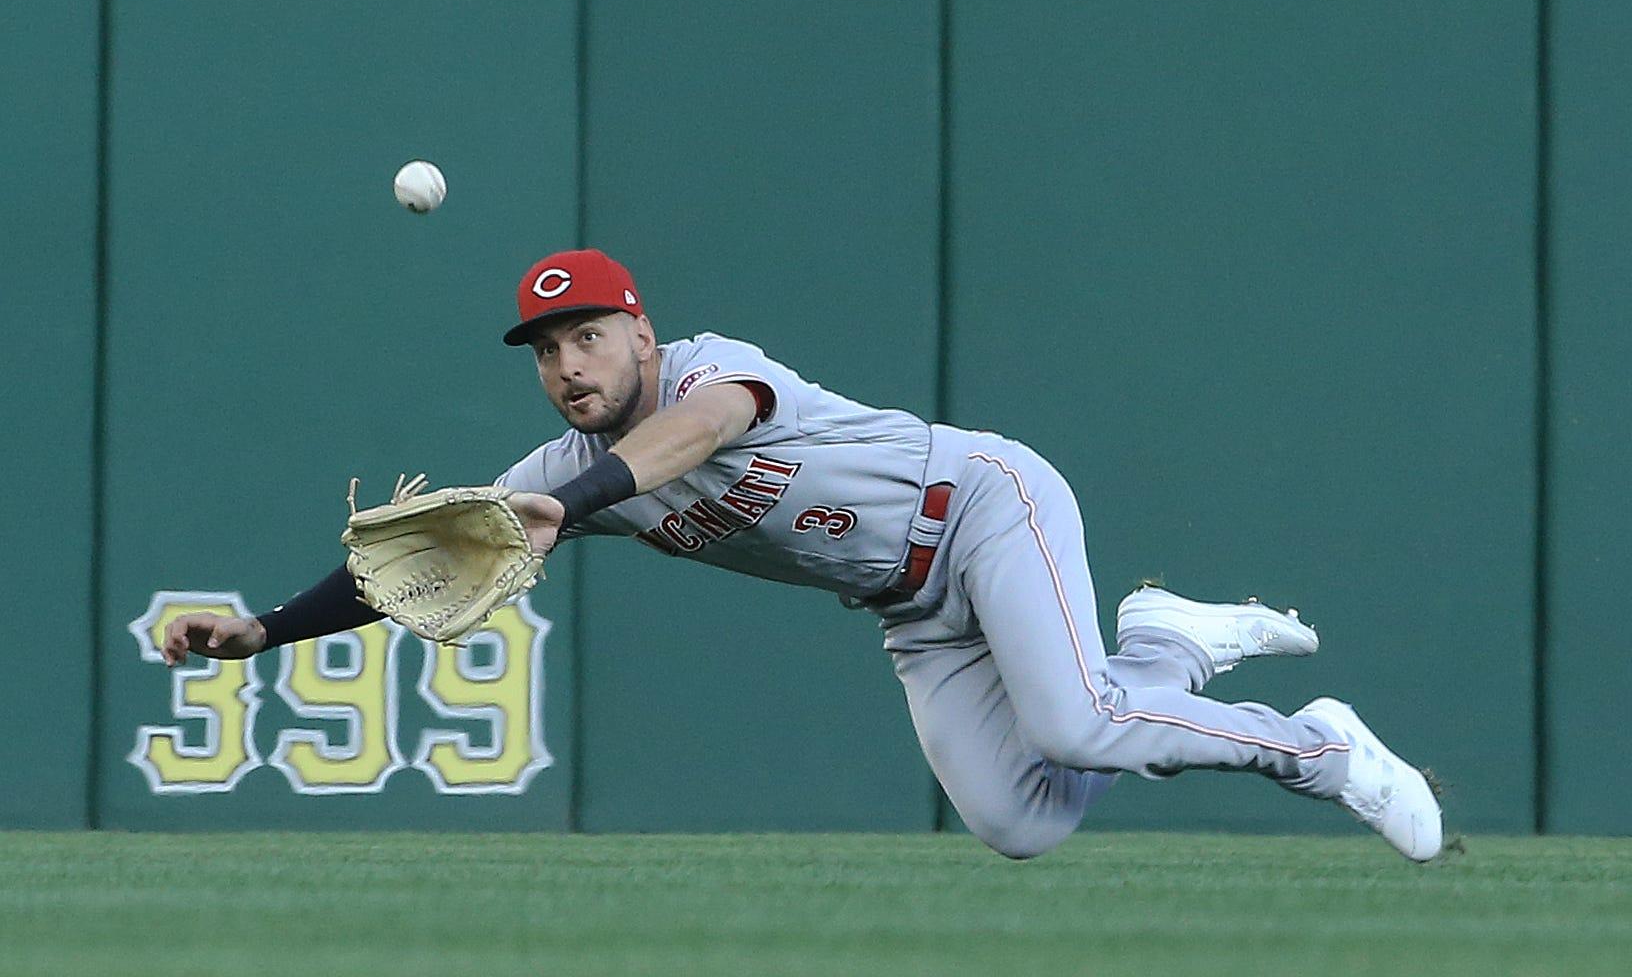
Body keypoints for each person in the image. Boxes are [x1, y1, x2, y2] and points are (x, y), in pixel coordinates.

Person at [163, 248, 1442, 861]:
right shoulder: (555, 482)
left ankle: (1324, 748)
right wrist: (264, 631)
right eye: (548, 353)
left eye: (588, 339)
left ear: (639, 329)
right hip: (913, 609)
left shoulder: (714, 370)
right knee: (1019, 824)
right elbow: (414, 564)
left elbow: (705, 434)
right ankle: (1164, 639)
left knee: (1074, 728)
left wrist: (582, 497)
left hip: (986, 507)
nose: (567, 368)